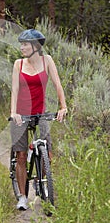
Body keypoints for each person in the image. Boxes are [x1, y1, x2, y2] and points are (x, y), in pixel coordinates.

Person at [10, 29, 67, 210]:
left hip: (40, 112)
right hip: (21, 113)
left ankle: (43, 181)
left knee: (46, 152)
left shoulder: (47, 60)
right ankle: (22, 197)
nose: (22, 47)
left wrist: (63, 107)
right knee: (20, 156)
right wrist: (14, 112)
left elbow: (57, 84)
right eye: (22, 44)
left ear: (35, 46)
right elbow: (15, 90)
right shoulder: (18, 64)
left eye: (25, 44)